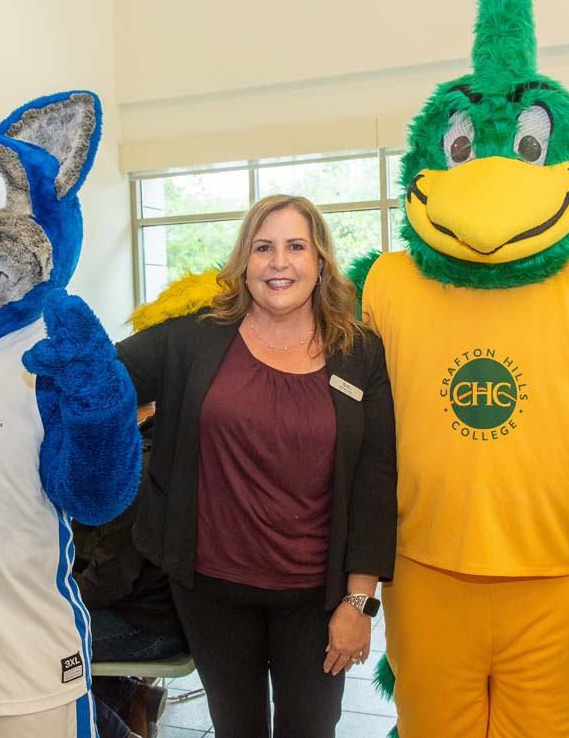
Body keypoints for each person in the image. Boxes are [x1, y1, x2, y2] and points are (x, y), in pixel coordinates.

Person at [116, 194, 397, 738]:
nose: (279, 262)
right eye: (263, 248)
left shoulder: (360, 353)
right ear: (244, 262)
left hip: (316, 599)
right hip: (211, 591)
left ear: (321, 262)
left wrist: (359, 602)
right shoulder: (193, 338)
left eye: (296, 247)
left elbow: (375, 480)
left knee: (310, 730)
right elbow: (97, 379)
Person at [76, 407, 186, 738]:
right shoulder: (156, 446)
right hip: (155, 611)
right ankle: (130, 696)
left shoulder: (135, 470)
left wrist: (50, 597)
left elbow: (110, 580)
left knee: (17, 645)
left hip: (146, 625)